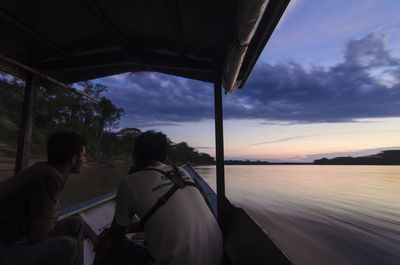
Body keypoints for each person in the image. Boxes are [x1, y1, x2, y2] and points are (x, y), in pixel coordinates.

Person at [98, 131, 223, 265]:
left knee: (108, 241)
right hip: (217, 258)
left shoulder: (129, 182)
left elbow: (118, 234)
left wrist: (110, 233)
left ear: (135, 156)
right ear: (165, 158)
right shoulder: (181, 172)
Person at [0, 131, 87, 265]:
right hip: (7, 247)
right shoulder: (50, 177)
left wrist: (48, 218)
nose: (85, 160)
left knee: (76, 223)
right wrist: (52, 215)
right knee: (68, 246)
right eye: (83, 155)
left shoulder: (42, 169)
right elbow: (37, 237)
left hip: (17, 236)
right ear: (73, 159)